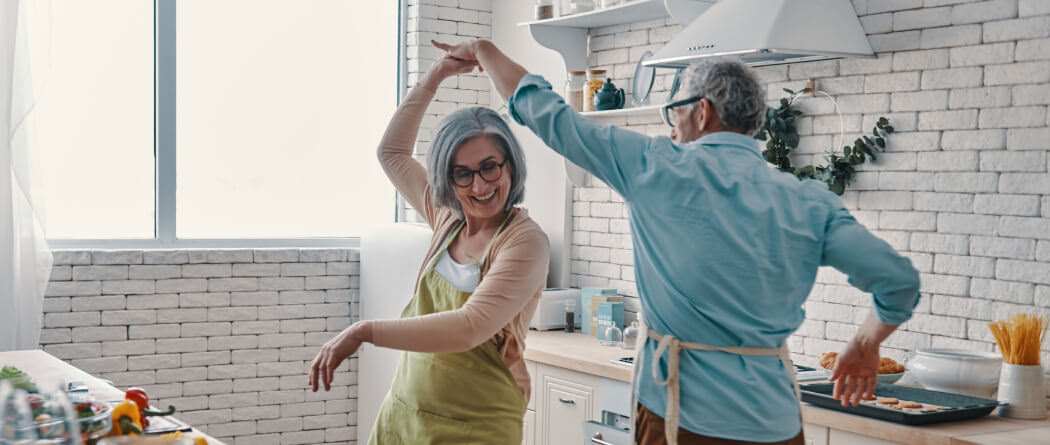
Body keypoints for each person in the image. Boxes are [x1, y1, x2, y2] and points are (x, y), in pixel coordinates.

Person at [433, 39, 921, 445]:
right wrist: (863, 345)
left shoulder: (655, 167)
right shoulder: (807, 202)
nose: (671, 125)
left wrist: (484, 50)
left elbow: (549, 115)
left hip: (682, 418)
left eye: (675, 111)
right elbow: (899, 283)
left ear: (701, 111)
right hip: (776, 422)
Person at [307, 54, 550, 444]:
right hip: (405, 413)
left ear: (510, 167)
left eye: (490, 166)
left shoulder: (524, 241)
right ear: (447, 180)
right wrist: (436, 76)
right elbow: (392, 154)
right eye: (463, 174)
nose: (479, 185)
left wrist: (364, 331)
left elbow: (469, 326)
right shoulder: (447, 218)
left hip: (477, 426)